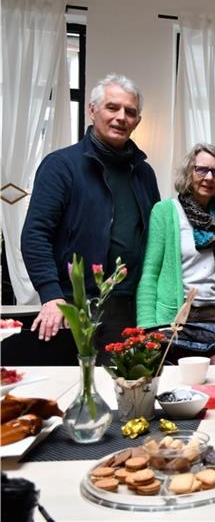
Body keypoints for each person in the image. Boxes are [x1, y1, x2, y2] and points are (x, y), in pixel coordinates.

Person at [22, 73, 160, 357]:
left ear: (137, 121)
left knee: (123, 393)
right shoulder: (60, 166)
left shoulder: (144, 173)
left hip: (127, 309)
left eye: (130, 112)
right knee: (72, 391)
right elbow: (35, 236)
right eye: (113, 107)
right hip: (71, 305)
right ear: (92, 110)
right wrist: (50, 295)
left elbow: (153, 241)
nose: (121, 117)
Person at [136, 143, 215, 363]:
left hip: (214, 316)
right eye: (201, 169)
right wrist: (145, 327)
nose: (209, 177)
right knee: (172, 386)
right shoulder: (165, 211)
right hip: (174, 317)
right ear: (189, 172)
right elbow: (150, 273)